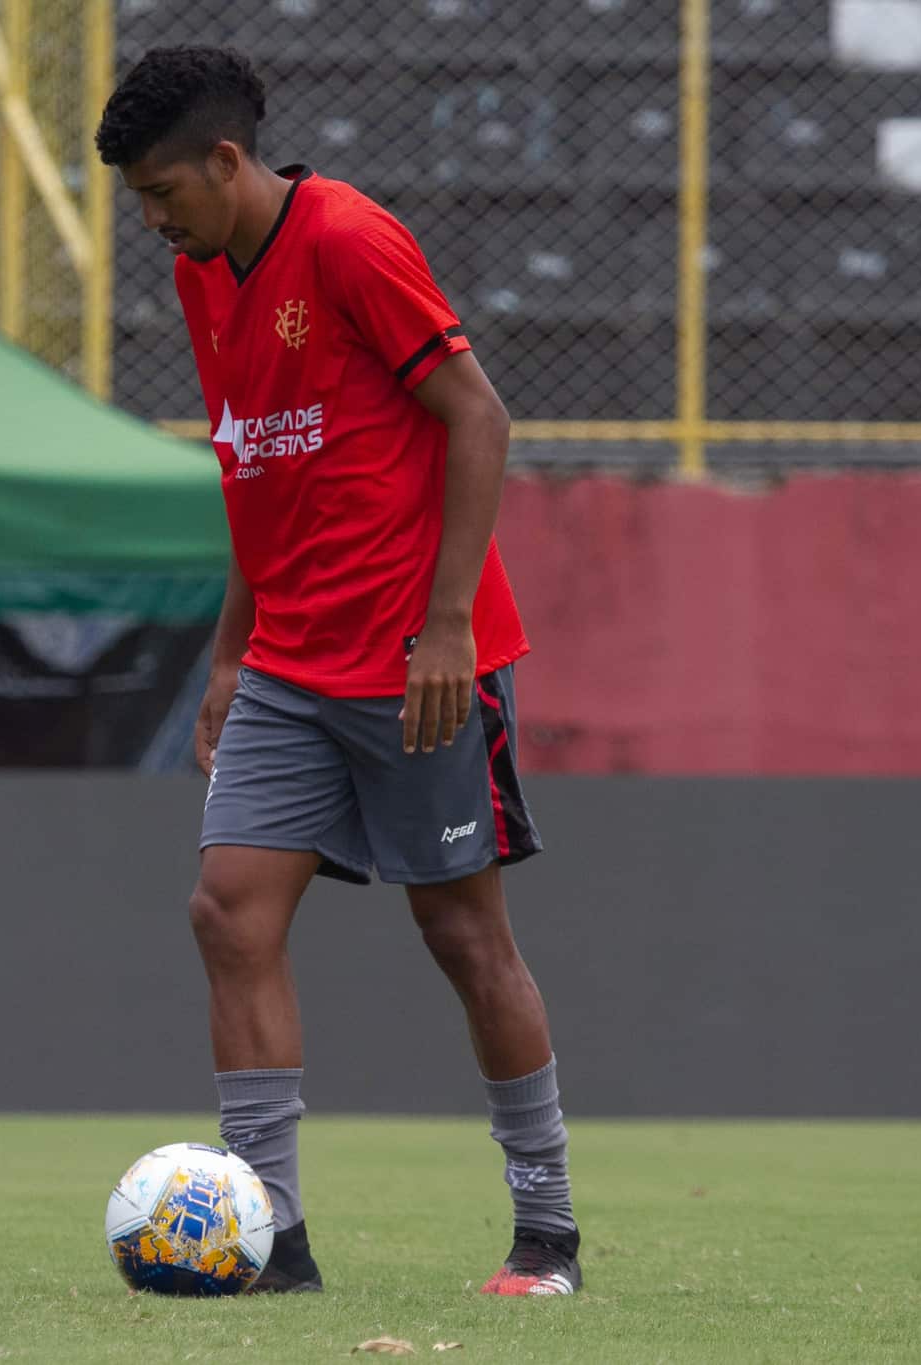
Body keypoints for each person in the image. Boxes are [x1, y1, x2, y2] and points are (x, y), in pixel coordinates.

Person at [94, 47, 582, 1296]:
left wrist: (450, 625)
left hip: (414, 662)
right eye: (138, 203)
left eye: (163, 192)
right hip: (286, 666)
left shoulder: (351, 240)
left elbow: (477, 415)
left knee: (462, 935)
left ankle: (547, 1233)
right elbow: (256, 469)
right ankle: (273, 1239)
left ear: (225, 160)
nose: (153, 220)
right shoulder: (198, 275)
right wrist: (224, 655)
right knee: (226, 911)